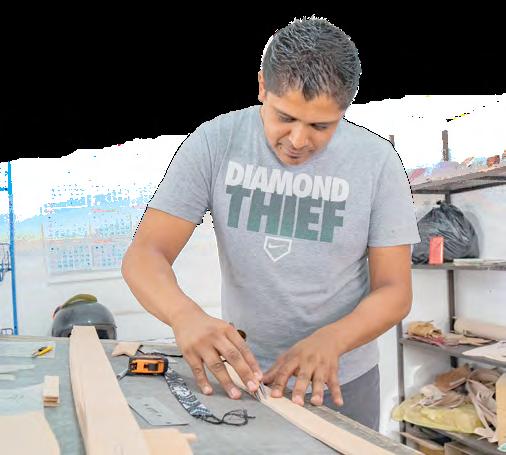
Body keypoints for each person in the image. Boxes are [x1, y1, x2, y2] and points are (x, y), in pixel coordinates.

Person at [121, 16, 420, 431]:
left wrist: (333, 339)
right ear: (262, 86)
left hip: (341, 378)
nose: (298, 140)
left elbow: (394, 290)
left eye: (320, 126)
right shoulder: (216, 142)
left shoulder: (377, 162)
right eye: (284, 117)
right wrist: (183, 315)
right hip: (242, 374)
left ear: (345, 109)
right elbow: (145, 254)